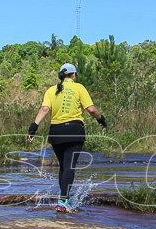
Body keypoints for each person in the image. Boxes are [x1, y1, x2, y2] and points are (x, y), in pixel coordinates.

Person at [26, 63, 106, 213]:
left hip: (56, 132)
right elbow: (91, 109)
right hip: (74, 131)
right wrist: (101, 120)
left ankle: (63, 200)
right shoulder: (79, 88)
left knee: (63, 166)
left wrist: (33, 128)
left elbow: (44, 109)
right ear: (73, 75)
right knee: (69, 166)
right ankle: (63, 201)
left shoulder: (51, 90)